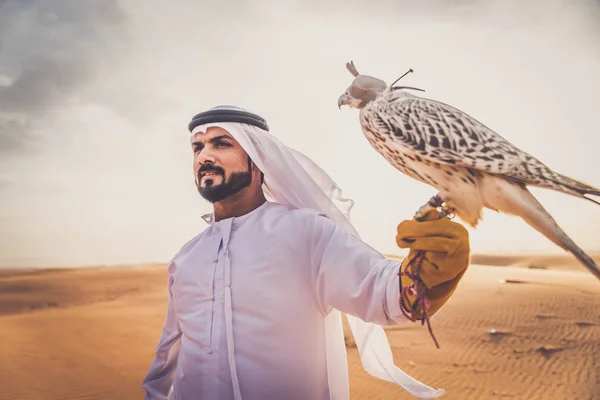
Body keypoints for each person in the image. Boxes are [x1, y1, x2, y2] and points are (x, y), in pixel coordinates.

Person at [141, 105, 470, 400]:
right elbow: (167, 356)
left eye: (221, 144)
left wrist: (426, 271)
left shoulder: (306, 232)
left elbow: (382, 291)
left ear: (258, 158)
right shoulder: (186, 259)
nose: (204, 157)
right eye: (197, 148)